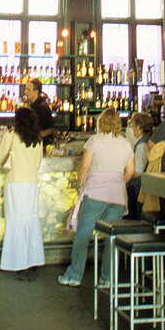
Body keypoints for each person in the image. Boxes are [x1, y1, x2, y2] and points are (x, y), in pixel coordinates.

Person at [59, 106, 135, 288]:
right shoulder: (125, 144)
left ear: (101, 123)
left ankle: (74, 275)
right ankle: (107, 278)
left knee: (84, 233)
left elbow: (84, 167)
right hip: (117, 196)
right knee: (111, 237)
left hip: (95, 193)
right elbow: (130, 171)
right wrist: (117, 183)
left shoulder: (94, 141)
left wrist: (81, 183)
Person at [0, 106, 45, 280]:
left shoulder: (11, 136)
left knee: (15, 221)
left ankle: (17, 262)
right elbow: (38, 163)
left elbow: (0, 159)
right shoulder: (38, 139)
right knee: (30, 219)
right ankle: (33, 260)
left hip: (15, 182)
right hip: (31, 183)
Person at [126, 110, 153, 218]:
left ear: (139, 127)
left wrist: (125, 177)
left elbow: (137, 172)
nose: (132, 129)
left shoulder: (142, 145)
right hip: (147, 185)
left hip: (140, 187)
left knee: (139, 214)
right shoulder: (149, 140)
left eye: (133, 126)